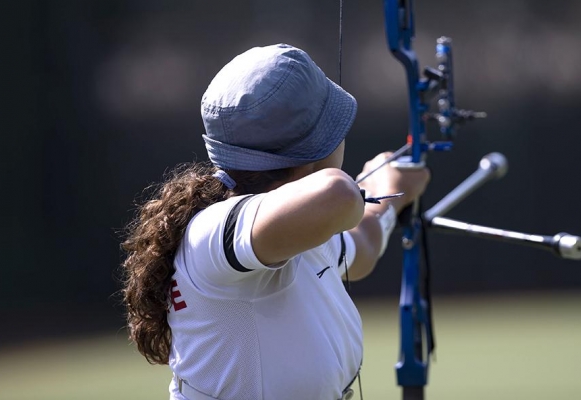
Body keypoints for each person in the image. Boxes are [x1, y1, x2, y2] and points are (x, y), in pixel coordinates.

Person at [120, 43, 430, 400]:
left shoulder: (294, 227)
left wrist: (389, 193)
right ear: (316, 151)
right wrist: (362, 190)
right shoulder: (212, 230)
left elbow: (361, 249)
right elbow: (339, 195)